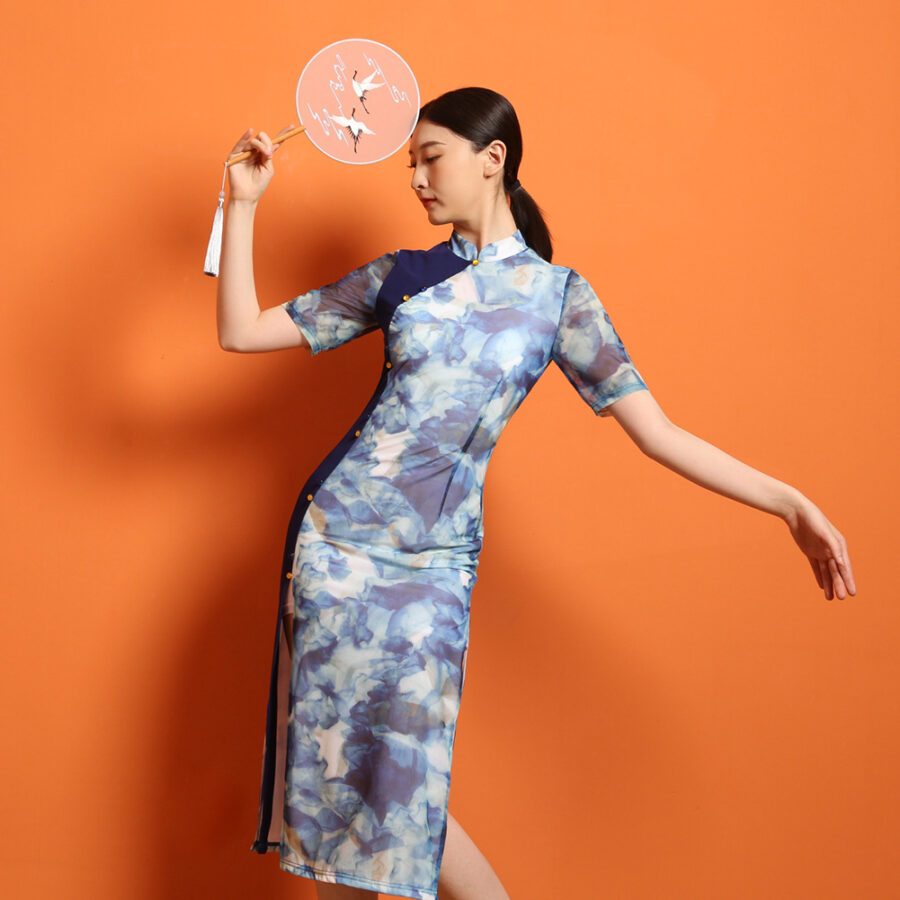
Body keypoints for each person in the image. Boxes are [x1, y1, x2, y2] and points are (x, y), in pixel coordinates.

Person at [216, 87, 856, 900]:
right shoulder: (401, 277)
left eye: (430, 157)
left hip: (434, 569)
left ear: (494, 158)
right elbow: (241, 331)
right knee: (337, 788)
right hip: (337, 548)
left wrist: (790, 503)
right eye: (410, 163)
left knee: (400, 788)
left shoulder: (557, 298)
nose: (415, 179)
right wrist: (241, 206)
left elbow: (659, 434)